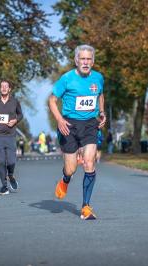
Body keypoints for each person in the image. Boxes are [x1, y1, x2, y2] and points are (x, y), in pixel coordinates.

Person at [48, 44, 106, 220]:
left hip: (90, 125)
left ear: (93, 61)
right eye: (83, 59)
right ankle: (65, 179)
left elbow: (100, 95)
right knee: (71, 168)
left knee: (89, 162)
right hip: (69, 125)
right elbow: (52, 100)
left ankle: (86, 206)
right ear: (76, 60)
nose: (86, 62)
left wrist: (102, 112)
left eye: (89, 59)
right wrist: (59, 119)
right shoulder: (66, 79)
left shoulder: (98, 78)